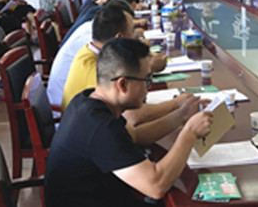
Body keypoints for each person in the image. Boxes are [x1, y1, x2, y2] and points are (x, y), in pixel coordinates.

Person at [44, 38, 212, 207]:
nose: (148, 87)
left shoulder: (88, 100)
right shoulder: (99, 126)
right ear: (122, 84)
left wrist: (181, 115)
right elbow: (156, 186)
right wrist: (189, 133)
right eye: (146, 79)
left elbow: (137, 135)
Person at [61, 0, 165, 110]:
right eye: (133, 32)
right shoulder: (93, 69)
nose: (136, 38)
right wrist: (148, 68)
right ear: (119, 38)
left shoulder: (92, 51)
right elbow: (133, 116)